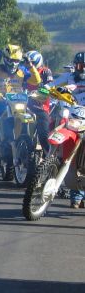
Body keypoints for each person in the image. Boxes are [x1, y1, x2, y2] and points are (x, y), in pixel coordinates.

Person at [0, 44, 40, 182]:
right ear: (5, 59)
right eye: (11, 60)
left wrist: (30, 65)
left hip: (18, 105)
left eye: (16, 60)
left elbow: (36, 81)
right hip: (0, 105)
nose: (14, 63)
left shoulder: (22, 70)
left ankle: (25, 149)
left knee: (30, 123)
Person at [49, 51, 85, 208]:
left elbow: (77, 86)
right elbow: (53, 84)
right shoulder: (68, 77)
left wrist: (75, 86)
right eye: (78, 65)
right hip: (71, 118)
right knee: (71, 153)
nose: (81, 68)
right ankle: (49, 162)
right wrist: (45, 89)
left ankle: (78, 195)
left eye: (83, 65)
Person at [23, 50, 53, 153]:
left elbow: (50, 87)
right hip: (24, 105)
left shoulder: (46, 71)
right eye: (27, 63)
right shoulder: (23, 71)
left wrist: (41, 90)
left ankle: (48, 156)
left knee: (43, 135)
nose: (29, 65)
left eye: (32, 63)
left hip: (40, 107)